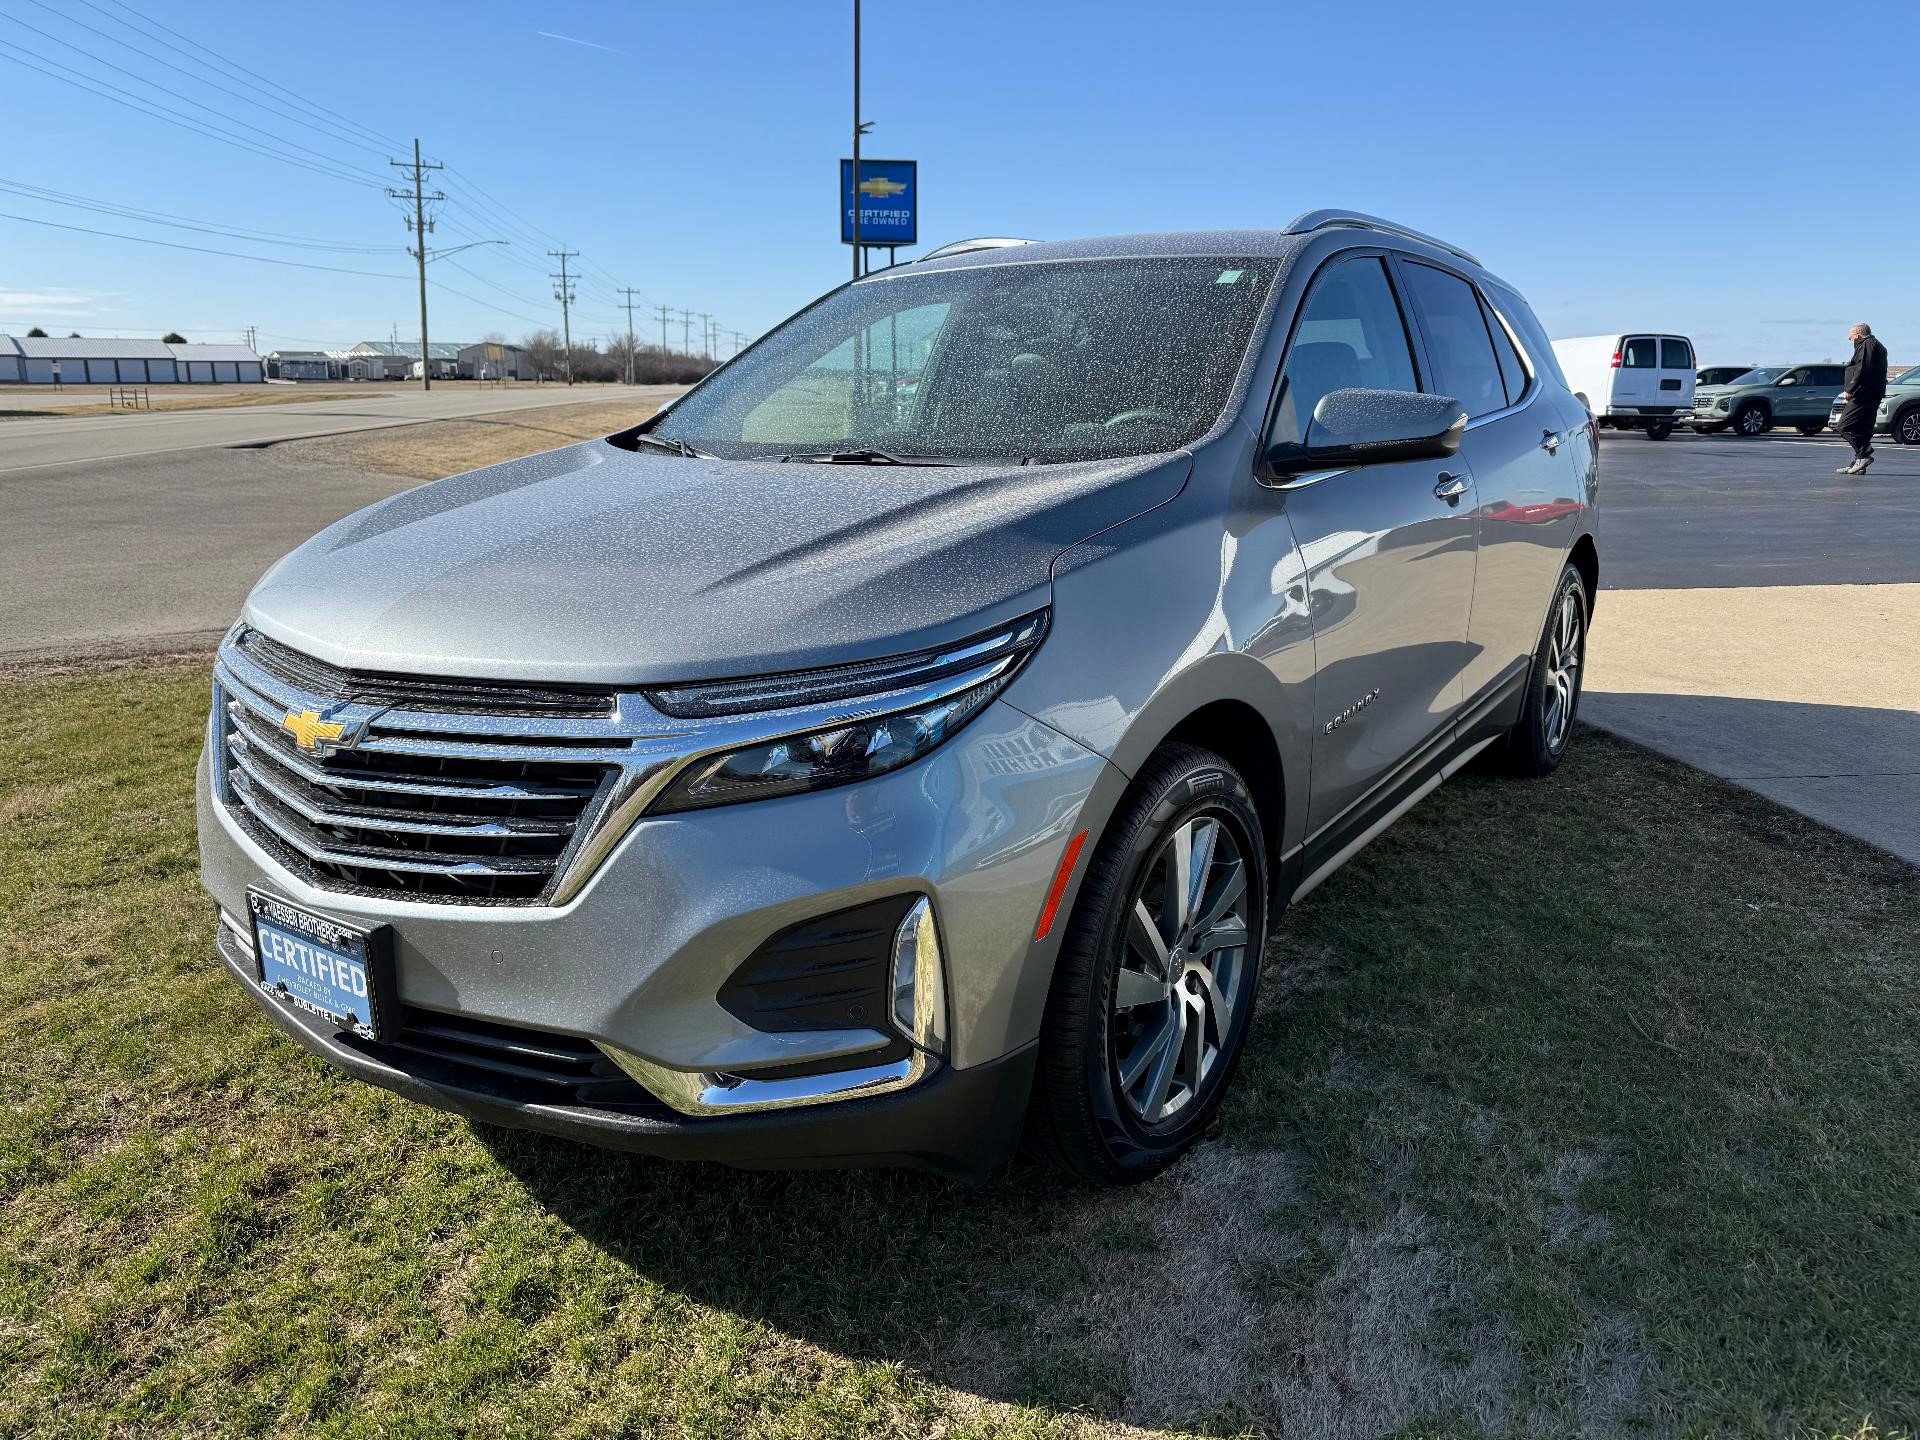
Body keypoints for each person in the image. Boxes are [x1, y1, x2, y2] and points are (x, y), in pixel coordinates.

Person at [1836, 322, 1888, 474]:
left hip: (1864, 394)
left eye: (1850, 338)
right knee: (1862, 428)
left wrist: (1850, 389)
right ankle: (1859, 462)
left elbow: (1862, 369)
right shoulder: (1875, 345)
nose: (1850, 340)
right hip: (1871, 393)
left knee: (1844, 426)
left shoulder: (1867, 345)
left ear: (1857, 335)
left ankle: (1864, 454)